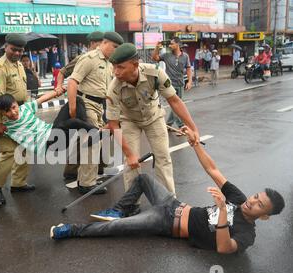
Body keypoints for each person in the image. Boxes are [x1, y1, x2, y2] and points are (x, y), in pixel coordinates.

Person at [50, 125, 285, 255]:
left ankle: (71, 230)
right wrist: (195, 145)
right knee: (143, 178)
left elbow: (224, 248)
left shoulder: (246, 235)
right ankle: (121, 209)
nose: (251, 202)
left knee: (114, 229)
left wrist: (223, 211)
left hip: (165, 223)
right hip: (174, 205)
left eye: (259, 205)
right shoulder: (239, 197)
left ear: (264, 216)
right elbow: (213, 170)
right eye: (256, 197)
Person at [106, 43, 199, 194]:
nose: (115, 72)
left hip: (154, 117)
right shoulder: (113, 88)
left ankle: (168, 200)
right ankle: (131, 203)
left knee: (163, 157)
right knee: (131, 163)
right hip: (129, 121)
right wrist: (130, 155)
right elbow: (113, 125)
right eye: (113, 67)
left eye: (120, 67)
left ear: (135, 65)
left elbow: (174, 101)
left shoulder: (155, 74)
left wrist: (193, 128)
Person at [67, 31, 124, 195]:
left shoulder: (108, 62)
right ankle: (86, 184)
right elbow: (72, 82)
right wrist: (73, 109)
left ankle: (84, 179)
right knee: (93, 143)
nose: (115, 50)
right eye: (114, 47)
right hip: (86, 105)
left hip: (99, 107)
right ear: (104, 43)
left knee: (92, 143)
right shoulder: (89, 58)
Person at [0, 34, 34, 209]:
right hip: (8, 115)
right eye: (13, 49)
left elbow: (23, 92)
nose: (17, 53)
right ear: (5, 47)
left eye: (20, 50)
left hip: (21, 113)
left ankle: (18, 183)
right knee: (8, 153)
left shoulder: (20, 64)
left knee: (25, 149)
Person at [55, 32, 104, 181]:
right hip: (85, 102)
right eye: (100, 43)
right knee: (93, 136)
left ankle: (73, 170)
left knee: (88, 136)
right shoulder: (84, 58)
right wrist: (59, 86)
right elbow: (63, 72)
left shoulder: (105, 59)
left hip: (99, 104)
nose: (102, 47)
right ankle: (89, 177)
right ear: (92, 43)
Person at [0, 87, 67, 156]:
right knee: (74, 123)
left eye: (14, 107)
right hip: (47, 143)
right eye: (7, 111)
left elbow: (42, 99)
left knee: (75, 104)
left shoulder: (25, 108)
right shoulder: (7, 126)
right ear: (2, 113)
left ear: (17, 104)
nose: (13, 112)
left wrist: (58, 91)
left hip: (52, 130)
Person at [152, 37, 192, 131]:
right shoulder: (166, 55)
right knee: (176, 105)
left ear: (177, 45)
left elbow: (189, 68)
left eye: (172, 44)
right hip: (169, 85)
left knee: (177, 105)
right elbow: (155, 58)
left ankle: (168, 124)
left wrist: (189, 81)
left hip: (180, 84)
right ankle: (181, 125)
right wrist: (157, 48)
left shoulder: (185, 56)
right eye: (169, 44)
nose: (170, 45)